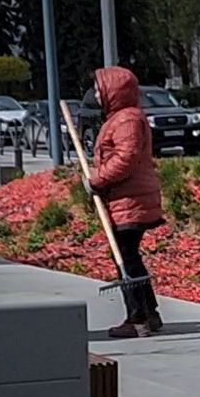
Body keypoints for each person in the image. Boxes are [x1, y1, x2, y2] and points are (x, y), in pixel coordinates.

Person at [88, 66, 166, 339]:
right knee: (130, 257)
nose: (96, 94)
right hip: (126, 200)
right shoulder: (120, 118)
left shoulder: (126, 121)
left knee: (125, 259)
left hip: (131, 201)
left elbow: (126, 159)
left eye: (100, 89)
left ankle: (138, 317)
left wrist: (97, 179)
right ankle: (150, 312)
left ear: (114, 91)